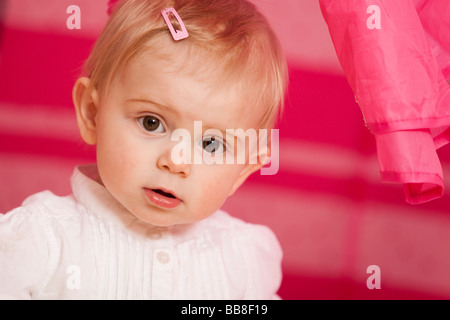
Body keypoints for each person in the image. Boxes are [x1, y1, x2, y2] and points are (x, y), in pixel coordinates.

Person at [0, 0, 288, 299]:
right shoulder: (42, 242)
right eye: (152, 123)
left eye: (210, 144)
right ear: (91, 113)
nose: (176, 162)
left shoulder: (242, 261)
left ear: (242, 170)